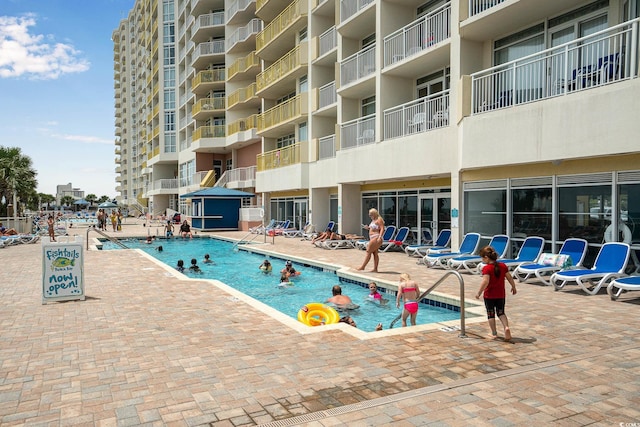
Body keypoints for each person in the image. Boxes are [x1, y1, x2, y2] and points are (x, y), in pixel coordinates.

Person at [475, 245, 517, 341]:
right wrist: (513, 286)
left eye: (482, 258)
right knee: (501, 312)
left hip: (489, 295)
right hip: (500, 294)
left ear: (486, 257)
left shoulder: (487, 268)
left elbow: (485, 282)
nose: (482, 260)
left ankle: (494, 333)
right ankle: (506, 327)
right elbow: (509, 277)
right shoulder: (502, 266)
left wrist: (479, 292)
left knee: (491, 314)